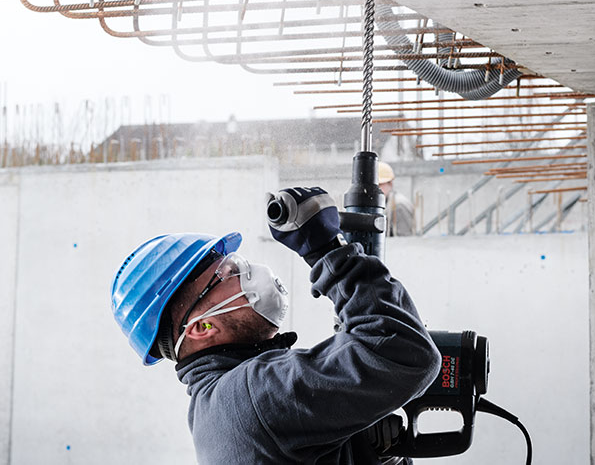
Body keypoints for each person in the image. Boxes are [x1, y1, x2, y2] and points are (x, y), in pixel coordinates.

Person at [110, 187, 440, 464]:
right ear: (201, 328)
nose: (245, 272)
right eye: (225, 274)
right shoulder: (253, 397)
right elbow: (402, 354)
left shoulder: (218, 409)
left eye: (234, 263)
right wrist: (330, 254)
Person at [377, 161, 416, 236]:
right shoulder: (386, 202)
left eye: (380, 185)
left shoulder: (399, 206)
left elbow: (404, 239)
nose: (376, 189)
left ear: (390, 184)